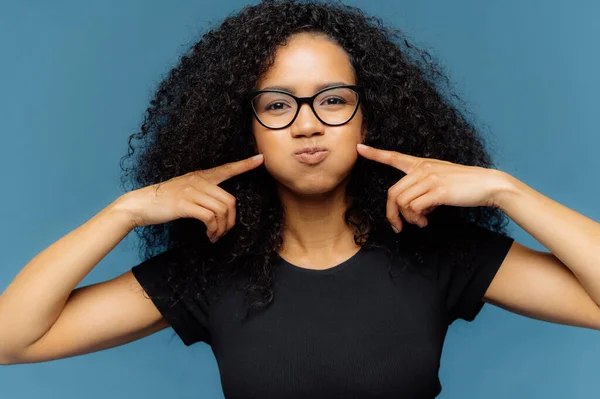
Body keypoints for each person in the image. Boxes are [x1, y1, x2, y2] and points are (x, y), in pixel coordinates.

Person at [2, 0, 600, 398]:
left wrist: (506, 189)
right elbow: (12, 341)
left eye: (333, 100)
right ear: (249, 128)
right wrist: (124, 210)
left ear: (369, 117)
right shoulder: (208, 274)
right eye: (278, 104)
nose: (308, 125)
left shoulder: (443, 254)